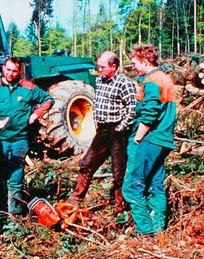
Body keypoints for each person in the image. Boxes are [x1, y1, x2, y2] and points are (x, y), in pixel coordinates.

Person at [0, 57, 54, 215]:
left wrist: (36, 114)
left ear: (19, 71)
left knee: (16, 179)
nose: (10, 73)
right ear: (3, 69)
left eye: (14, 70)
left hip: (19, 141)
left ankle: (16, 214)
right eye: (8, 69)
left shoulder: (27, 87)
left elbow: (48, 100)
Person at [67, 51, 136, 213]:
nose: (99, 70)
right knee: (86, 164)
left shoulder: (125, 83)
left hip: (118, 132)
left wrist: (120, 128)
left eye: (103, 67)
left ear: (114, 66)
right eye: (98, 66)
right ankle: (75, 199)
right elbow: (97, 104)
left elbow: (131, 109)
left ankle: (121, 207)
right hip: (102, 131)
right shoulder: (100, 80)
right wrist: (97, 124)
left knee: (119, 172)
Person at [122, 44, 178, 236]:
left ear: (146, 61)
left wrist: (137, 138)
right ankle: (158, 228)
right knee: (155, 183)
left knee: (132, 186)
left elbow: (150, 113)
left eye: (135, 63)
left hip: (151, 139)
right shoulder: (165, 79)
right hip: (164, 140)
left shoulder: (152, 81)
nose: (134, 68)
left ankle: (145, 232)